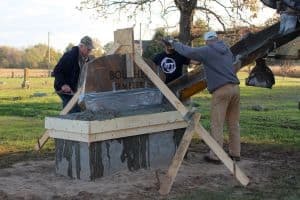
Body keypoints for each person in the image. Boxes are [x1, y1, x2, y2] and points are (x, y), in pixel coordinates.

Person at [166, 31, 241, 163]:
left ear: (206, 41)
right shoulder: (226, 50)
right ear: (217, 38)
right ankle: (235, 153)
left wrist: (173, 43)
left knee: (217, 124)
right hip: (235, 88)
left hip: (221, 90)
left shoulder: (208, 50)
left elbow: (189, 52)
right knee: (233, 122)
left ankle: (216, 155)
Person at [53, 36, 94, 113]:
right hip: (64, 89)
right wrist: (63, 84)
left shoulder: (87, 59)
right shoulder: (69, 56)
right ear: (81, 46)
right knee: (73, 109)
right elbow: (57, 71)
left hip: (76, 90)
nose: (89, 51)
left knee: (80, 109)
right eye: (88, 49)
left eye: (90, 49)